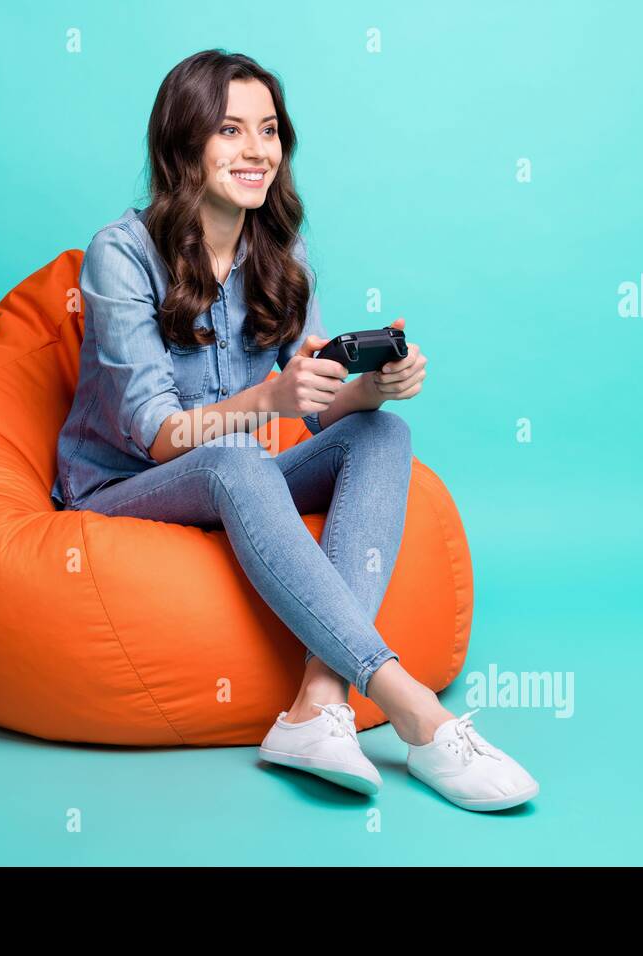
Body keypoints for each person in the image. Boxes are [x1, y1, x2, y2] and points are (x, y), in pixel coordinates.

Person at [51, 49, 538, 811]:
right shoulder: (121, 254)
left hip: (229, 469)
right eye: (231, 130)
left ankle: (317, 703)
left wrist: (367, 390)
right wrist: (269, 397)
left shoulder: (280, 251)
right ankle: (416, 710)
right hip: (121, 487)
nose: (258, 152)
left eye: (270, 130)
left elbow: (306, 411)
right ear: (184, 144)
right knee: (236, 461)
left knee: (383, 437)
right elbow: (157, 435)